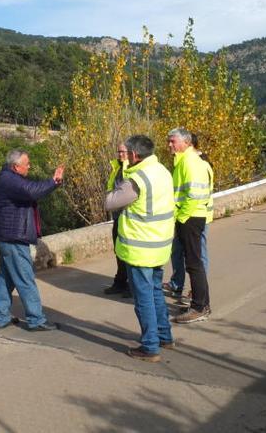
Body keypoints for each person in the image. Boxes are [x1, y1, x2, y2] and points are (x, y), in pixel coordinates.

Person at [105, 135, 175, 362]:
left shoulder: (137, 179)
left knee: (144, 298)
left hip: (140, 248)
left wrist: (122, 170)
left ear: (134, 155)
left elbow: (110, 202)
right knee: (155, 293)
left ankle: (149, 346)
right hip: (160, 245)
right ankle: (164, 336)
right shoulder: (162, 170)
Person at [0, 149, 64, 331]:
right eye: (27, 164)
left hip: (8, 235)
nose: (29, 166)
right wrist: (53, 181)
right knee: (25, 278)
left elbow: (31, 189)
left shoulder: (9, 177)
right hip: (13, 236)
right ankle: (36, 319)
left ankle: (1, 317)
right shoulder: (10, 180)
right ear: (16, 167)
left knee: (6, 278)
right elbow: (32, 191)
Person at [166, 128, 212, 324]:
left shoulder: (190, 162)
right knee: (194, 263)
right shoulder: (184, 161)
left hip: (191, 218)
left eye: (173, 141)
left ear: (186, 142)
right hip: (190, 217)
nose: (169, 145)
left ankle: (199, 307)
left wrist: (182, 218)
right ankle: (201, 303)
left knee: (194, 264)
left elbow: (195, 194)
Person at [102, 142, 131, 298]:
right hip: (117, 215)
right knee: (118, 251)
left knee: (127, 252)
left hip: (127, 216)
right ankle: (120, 282)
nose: (120, 154)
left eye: (123, 152)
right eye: (119, 151)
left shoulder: (130, 168)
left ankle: (130, 286)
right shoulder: (117, 168)